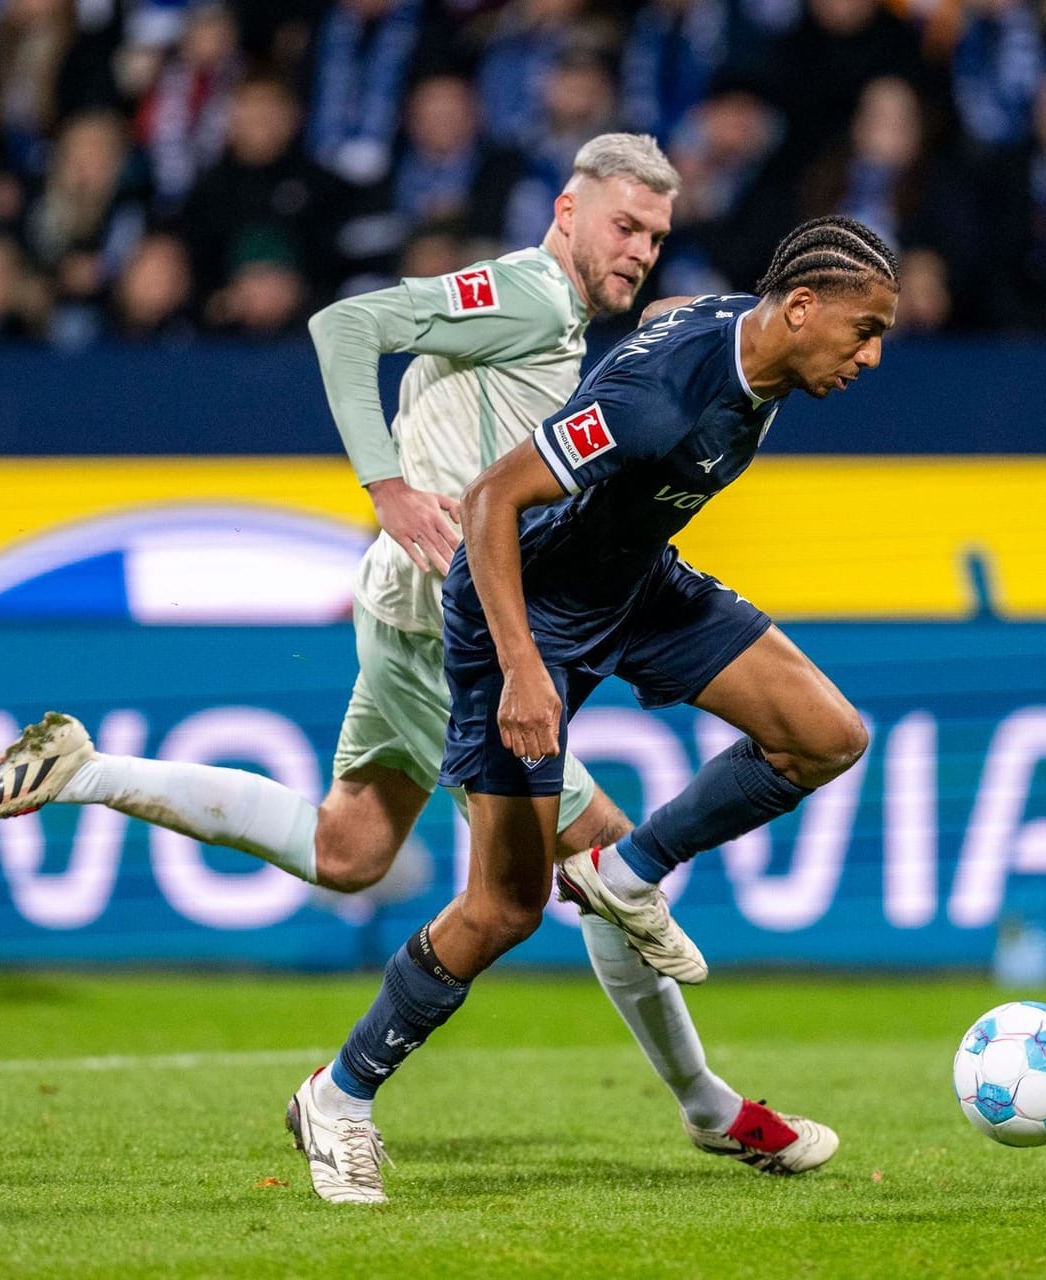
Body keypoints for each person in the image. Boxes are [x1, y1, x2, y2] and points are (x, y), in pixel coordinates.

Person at [0, 134, 839, 1202]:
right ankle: (701, 1106)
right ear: (566, 209)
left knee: (349, 845)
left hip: (409, 614)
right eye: (623, 226)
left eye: (655, 236)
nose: (638, 251)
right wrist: (387, 484)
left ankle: (84, 770)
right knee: (590, 858)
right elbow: (348, 325)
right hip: (439, 629)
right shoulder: (530, 294)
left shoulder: (567, 314)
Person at [287, 213, 898, 1204]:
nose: (871, 356)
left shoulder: (745, 338)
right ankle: (340, 1093)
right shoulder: (656, 400)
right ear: (800, 308)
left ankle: (632, 868)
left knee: (827, 733)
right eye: (863, 330)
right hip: (519, 609)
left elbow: (670, 308)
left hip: (636, 585)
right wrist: (525, 672)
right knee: (505, 907)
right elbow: (490, 499)